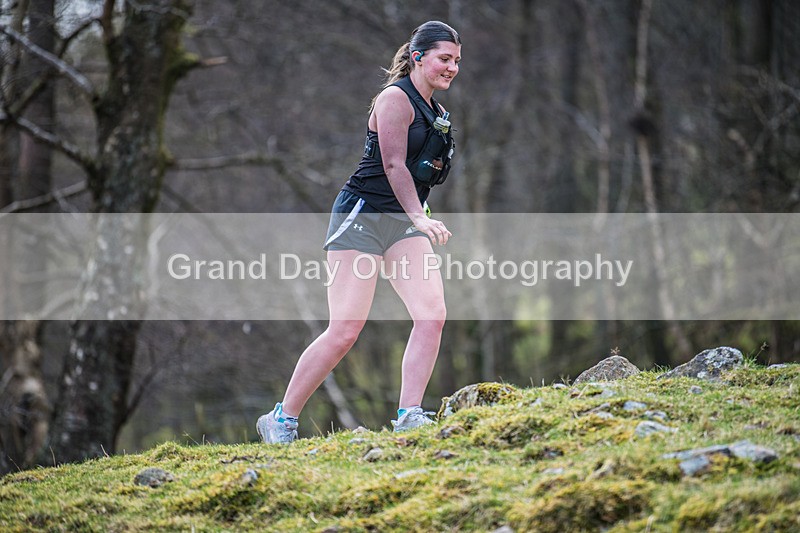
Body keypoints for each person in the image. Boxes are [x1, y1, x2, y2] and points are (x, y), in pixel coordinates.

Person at [257, 21, 461, 444]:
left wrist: (417, 215)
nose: (452, 67)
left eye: (457, 61)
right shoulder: (394, 99)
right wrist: (420, 217)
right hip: (362, 218)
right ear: (418, 57)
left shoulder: (437, 112)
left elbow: (421, 175)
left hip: (403, 221)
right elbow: (392, 165)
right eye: (445, 58)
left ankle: (409, 415)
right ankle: (281, 418)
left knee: (431, 316)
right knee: (346, 329)